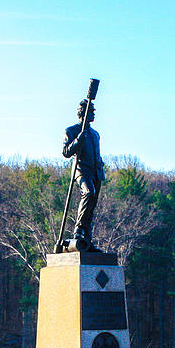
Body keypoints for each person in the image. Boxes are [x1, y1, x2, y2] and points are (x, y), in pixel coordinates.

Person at [63, 99, 105, 252]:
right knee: (88, 193)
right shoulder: (72, 130)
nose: (93, 114)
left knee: (92, 205)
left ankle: (87, 238)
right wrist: (79, 139)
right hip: (82, 170)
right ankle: (78, 230)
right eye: (91, 111)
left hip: (96, 172)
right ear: (82, 113)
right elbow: (66, 152)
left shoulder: (95, 134)